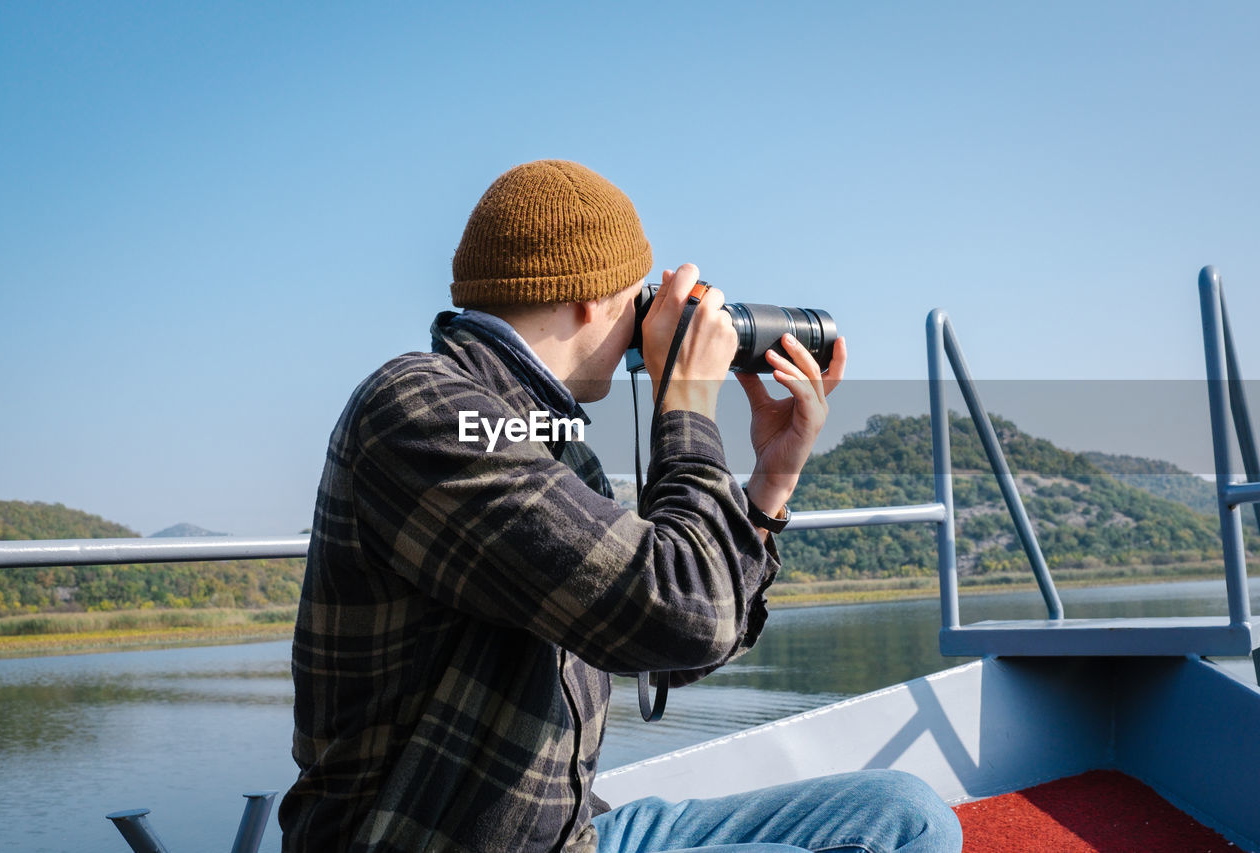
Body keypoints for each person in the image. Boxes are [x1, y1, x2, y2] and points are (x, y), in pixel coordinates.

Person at [279, 159, 961, 852]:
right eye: (637, 298)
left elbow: (668, 645)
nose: (646, 320)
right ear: (589, 302)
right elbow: (681, 618)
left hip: (567, 829)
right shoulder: (422, 410)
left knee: (907, 813)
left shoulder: (544, 435)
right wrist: (688, 398)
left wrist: (768, 487)